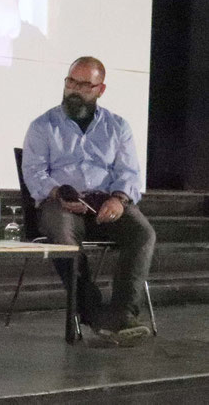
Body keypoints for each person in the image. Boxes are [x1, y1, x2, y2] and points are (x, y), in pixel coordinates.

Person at [22, 56, 156, 344]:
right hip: (61, 204)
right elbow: (33, 174)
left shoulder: (118, 127)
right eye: (71, 81)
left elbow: (130, 174)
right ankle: (93, 312)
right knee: (63, 236)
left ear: (100, 89)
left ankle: (123, 315)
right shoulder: (43, 126)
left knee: (143, 234)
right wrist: (59, 192)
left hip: (104, 203)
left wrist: (119, 200)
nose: (74, 89)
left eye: (84, 85)